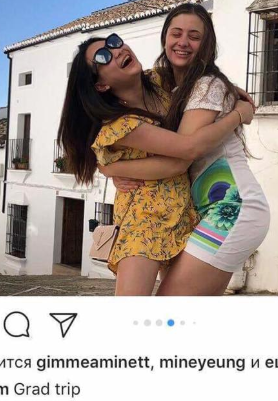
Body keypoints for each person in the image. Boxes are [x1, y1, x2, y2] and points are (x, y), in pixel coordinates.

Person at [57, 34, 253, 295]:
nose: (116, 51)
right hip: (144, 220)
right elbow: (183, 157)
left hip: (183, 213)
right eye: (103, 57)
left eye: (114, 42)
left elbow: (199, 79)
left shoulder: (159, 80)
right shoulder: (121, 125)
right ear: (101, 85)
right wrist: (238, 115)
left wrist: (228, 89)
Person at [101, 4, 270, 295]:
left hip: (232, 207)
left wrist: (111, 167)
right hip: (207, 211)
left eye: (194, 36)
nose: (183, 42)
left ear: (206, 45)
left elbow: (183, 154)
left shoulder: (206, 85)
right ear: (165, 37)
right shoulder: (168, 87)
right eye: (176, 33)